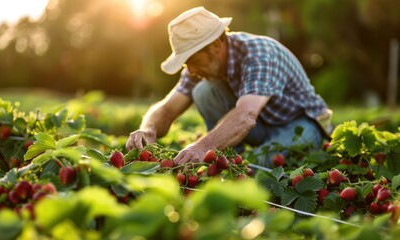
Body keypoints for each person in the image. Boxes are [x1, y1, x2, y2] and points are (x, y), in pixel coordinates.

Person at [126, 6, 332, 168]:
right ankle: (230, 160)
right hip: (263, 125)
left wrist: (202, 147)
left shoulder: (259, 53)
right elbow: (168, 108)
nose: (192, 71)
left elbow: (246, 115)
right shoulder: (197, 68)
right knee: (203, 91)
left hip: (302, 124)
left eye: (194, 61)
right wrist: (148, 129)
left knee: (260, 168)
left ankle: (239, 164)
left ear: (216, 45)